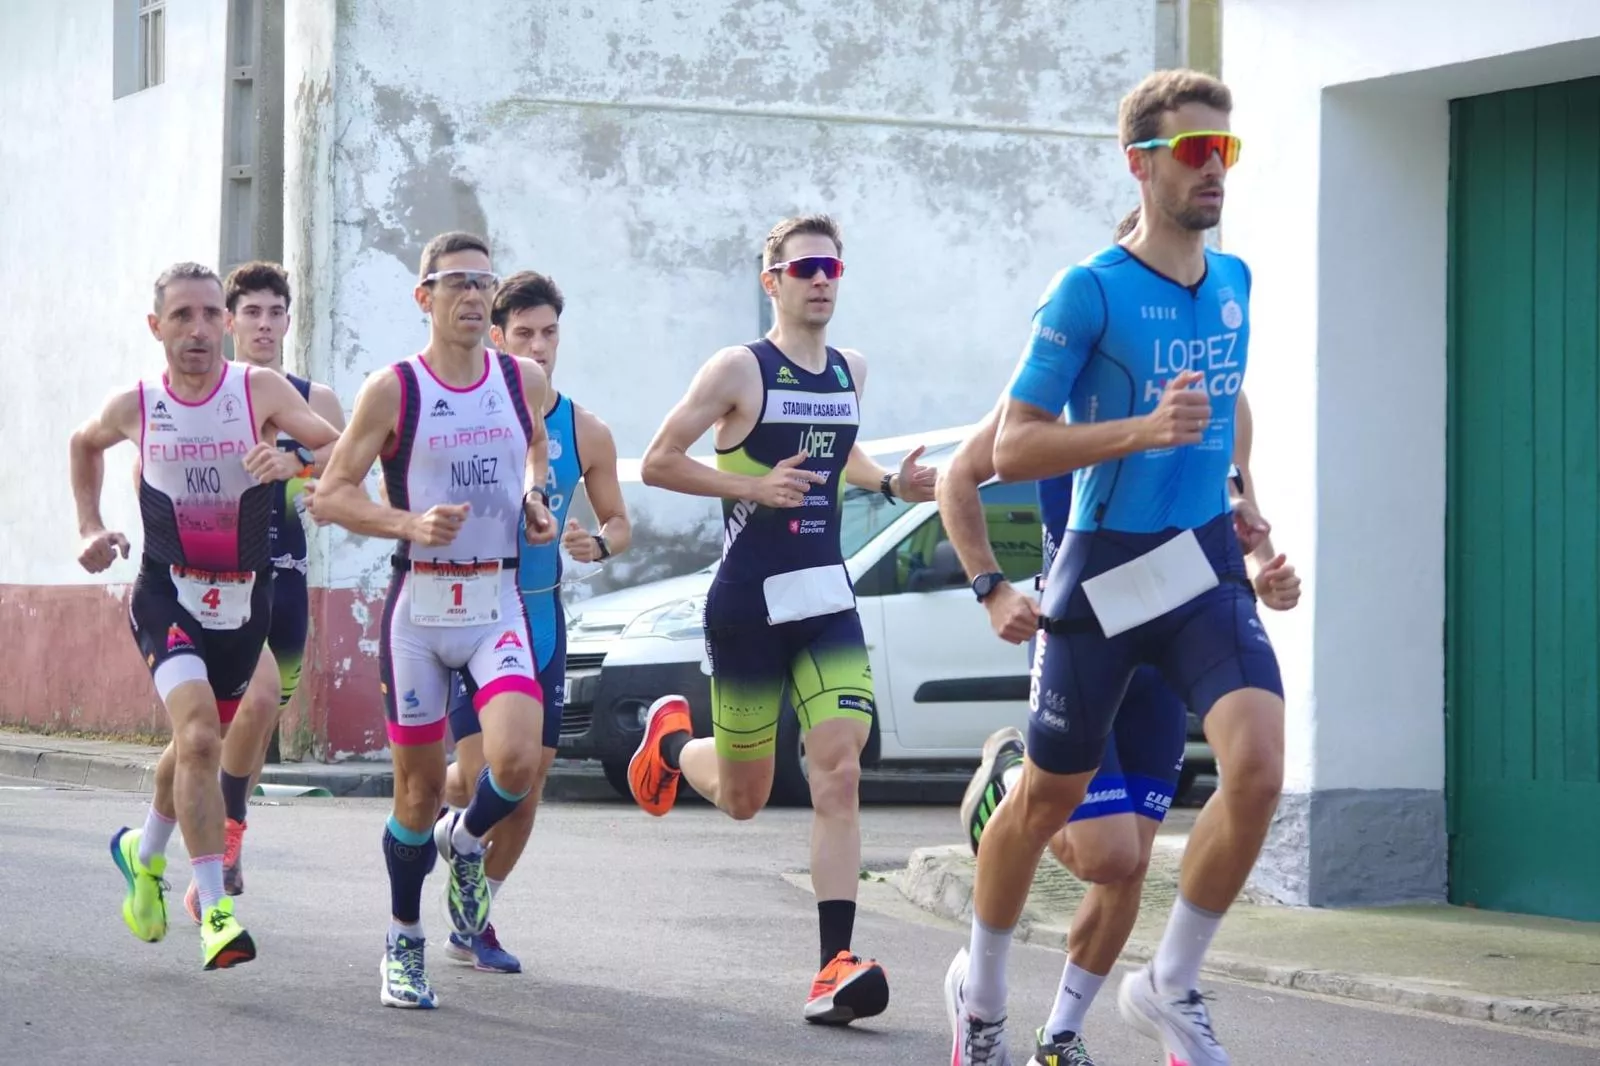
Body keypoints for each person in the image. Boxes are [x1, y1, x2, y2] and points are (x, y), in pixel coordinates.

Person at [944, 69, 1284, 1066]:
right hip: (1101, 581)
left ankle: (1167, 984)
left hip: (1199, 571)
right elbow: (1010, 449)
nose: (1215, 168)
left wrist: (1245, 511)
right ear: (1139, 163)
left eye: (1226, 150)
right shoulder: (1087, 291)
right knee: (1055, 812)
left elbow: (1226, 409)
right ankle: (982, 996)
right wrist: (1139, 431)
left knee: (1258, 767)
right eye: (1194, 150)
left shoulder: (1235, 282)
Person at [627, 214, 937, 1026]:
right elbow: (659, 461)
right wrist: (750, 486)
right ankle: (671, 746)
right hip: (748, 602)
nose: (822, 279)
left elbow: (840, 454)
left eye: (832, 266)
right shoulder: (740, 369)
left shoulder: (850, 369)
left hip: (825, 597)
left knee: (839, 769)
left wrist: (890, 485)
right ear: (772, 282)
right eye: (805, 268)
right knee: (745, 796)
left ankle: (834, 963)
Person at [308, 231, 557, 1011]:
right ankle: (403, 943)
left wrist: (534, 497)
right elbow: (331, 495)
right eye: (457, 283)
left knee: (517, 762)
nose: (474, 296)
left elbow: (536, 447)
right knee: (416, 793)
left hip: (496, 598)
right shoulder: (394, 388)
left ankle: (468, 837)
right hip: (419, 606)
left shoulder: (523, 379)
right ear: (425, 297)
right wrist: (408, 524)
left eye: (484, 282)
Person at [72, 261, 340, 970]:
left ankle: (143, 851)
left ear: (225, 322)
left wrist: (293, 460)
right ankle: (216, 912)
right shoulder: (136, 403)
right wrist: (89, 526)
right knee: (196, 738)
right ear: (155, 326)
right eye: (182, 316)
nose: (199, 329)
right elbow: (84, 443)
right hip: (166, 592)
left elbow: (339, 444)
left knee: (198, 746)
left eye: (211, 314)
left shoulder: (258, 390)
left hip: (245, 598)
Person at [437, 269, 632, 973]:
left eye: (549, 333)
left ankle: (474, 915)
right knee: (478, 777)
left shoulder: (586, 429)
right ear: (496, 337)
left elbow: (619, 522)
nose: (539, 346)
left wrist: (598, 544)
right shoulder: (467, 412)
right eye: (524, 333)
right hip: (472, 612)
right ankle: (446, 818)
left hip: (542, 614)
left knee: (525, 789)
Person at [167, 260, 347, 923]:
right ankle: (225, 842)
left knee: (222, 728)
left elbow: (346, 462)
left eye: (276, 313)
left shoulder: (313, 399)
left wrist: (302, 468)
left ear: (288, 322)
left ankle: (152, 840)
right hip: (216, 585)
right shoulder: (203, 396)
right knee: (253, 698)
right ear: (229, 322)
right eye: (252, 312)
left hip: (285, 582)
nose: (265, 325)